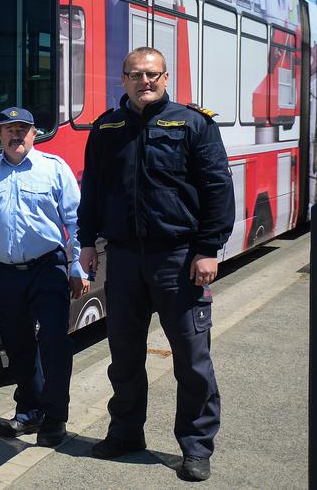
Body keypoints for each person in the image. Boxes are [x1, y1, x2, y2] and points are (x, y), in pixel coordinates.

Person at [78, 47, 234, 482]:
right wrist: (87, 241)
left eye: (152, 75)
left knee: (191, 357)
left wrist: (208, 249)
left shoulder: (193, 124)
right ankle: (126, 433)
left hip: (178, 259)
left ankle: (196, 446)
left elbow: (218, 188)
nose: (143, 82)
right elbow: (93, 188)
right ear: (122, 79)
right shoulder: (107, 128)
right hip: (124, 258)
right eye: (134, 75)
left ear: (165, 78)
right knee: (123, 355)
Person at [0, 106, 89, 448]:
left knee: (55, 343)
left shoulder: (53, 169)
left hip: (48, 267)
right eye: (8, 129)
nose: (16, 136)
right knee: (17, 345)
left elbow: (76, 221)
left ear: (34, 133)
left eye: (22, 129)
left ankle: (55, 416)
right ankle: (29, 410)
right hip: (7, 272)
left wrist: (78, 267)